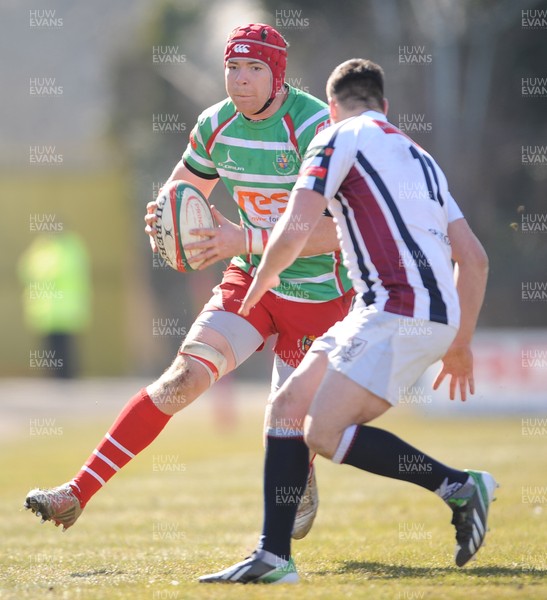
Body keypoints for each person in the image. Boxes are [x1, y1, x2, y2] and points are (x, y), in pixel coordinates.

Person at [24, 24, 353, 540]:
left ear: (278, 75)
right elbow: (181, 191)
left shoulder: (317, 126)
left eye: (254, 69)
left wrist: (239, 238)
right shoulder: (215, 124)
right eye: (232, 67)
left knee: (284, 428)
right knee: (181, 380)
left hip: (320, 296)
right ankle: (77, 492)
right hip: (252, 283)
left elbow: (339, 233)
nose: (240, 80)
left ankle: (300, 459)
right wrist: (166, 217)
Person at [199, 58, 497, 585]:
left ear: (332, 108)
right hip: (403, 309)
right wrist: (460, 342)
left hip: (396, 309)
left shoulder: (336, 138)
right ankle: (273, 557)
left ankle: (460, 486)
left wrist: (259, 285)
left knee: (322, 430)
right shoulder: (422, 158)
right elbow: (473, 259)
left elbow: (294, 230)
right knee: (288, 405)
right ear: (386, 107)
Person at [18, 230, 91, 379]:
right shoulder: (66, 248)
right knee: (53, 349)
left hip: (61, 310)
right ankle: (57, 379)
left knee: (63, 349)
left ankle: (64, 378)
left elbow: (39, 272)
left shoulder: (60, 249)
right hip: (51, 311)